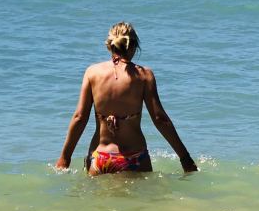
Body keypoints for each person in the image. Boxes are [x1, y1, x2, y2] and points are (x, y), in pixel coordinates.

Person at [55, 22, 197, 174]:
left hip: (100, 157)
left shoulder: (92, 73)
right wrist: (185, 158)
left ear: (110, 46)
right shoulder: (144, 75)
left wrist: (65, 158)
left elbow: (79, 118)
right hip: (134, 157)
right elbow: (159, 119)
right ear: (134, 46)